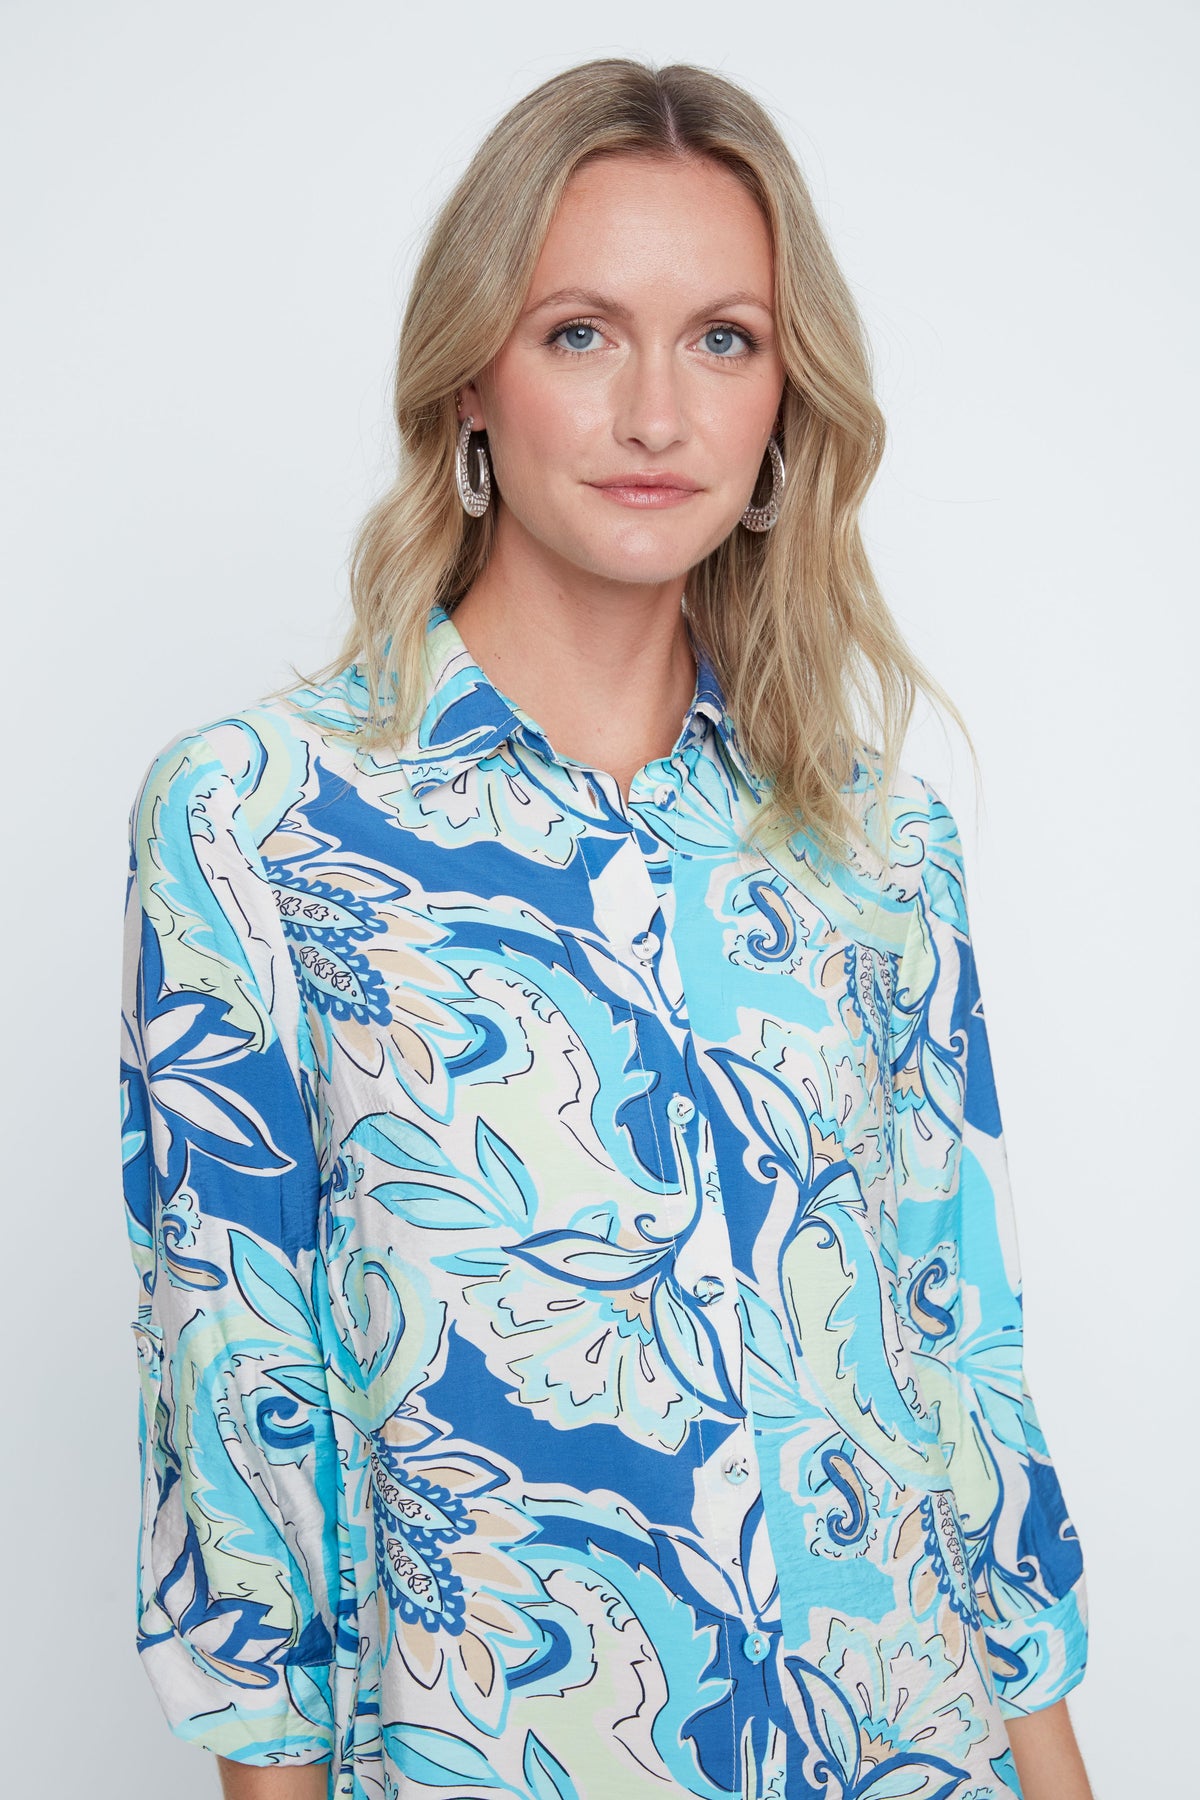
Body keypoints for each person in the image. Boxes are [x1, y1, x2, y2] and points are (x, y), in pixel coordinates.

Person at [120, 58, 1092, 1800]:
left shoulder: (878, 844)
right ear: (471, 382)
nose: (658, 414)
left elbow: (963, 1384)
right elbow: (235, 1416)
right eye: (581, 333)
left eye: (722, 339)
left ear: (785, 399)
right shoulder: (252, 822)